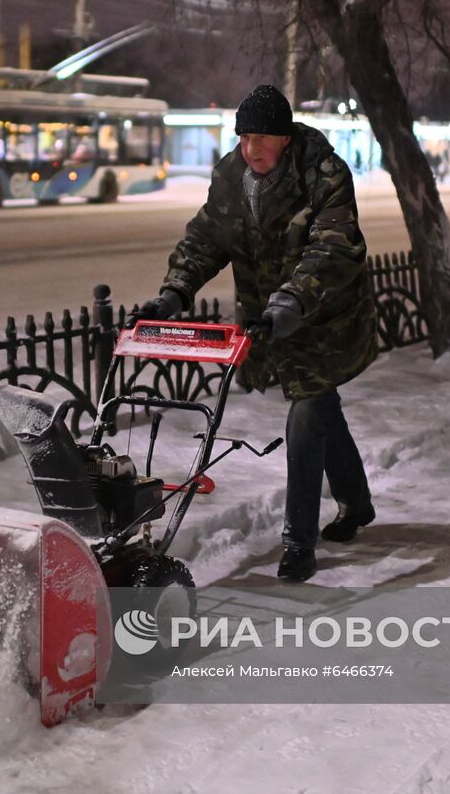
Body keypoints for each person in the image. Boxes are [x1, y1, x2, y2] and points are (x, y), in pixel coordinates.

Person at [139, 84, 378, 582]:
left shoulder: (324, 174)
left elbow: (333, 249)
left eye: (262, 137)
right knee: (323, 409)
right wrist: (175, 292)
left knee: (307, 416)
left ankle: (298, 541)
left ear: (285, 138)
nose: (251, 148)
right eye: (244, 136)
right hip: (266, 317)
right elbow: (206, 238)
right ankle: (356, 503)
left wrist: (292, 300)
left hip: (323, 316)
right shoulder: (231, 176)